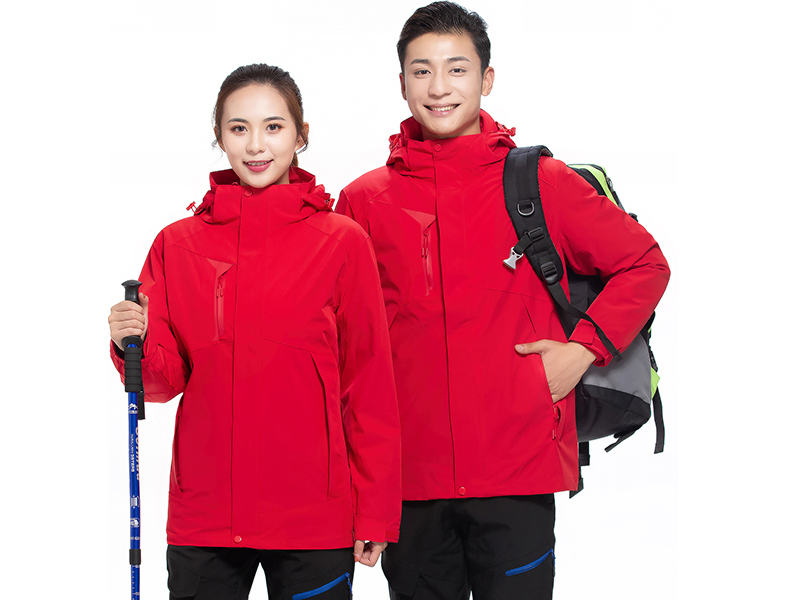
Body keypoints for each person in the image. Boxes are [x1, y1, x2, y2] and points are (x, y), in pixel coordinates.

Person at [335, 3, 671, 599]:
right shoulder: (364, 201)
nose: (439, 88)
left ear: (486, 79)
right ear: (402, 83)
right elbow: (345, 342)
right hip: (409, 478)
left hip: (518, 467)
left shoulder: (541, 183)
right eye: (421, 71)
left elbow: (644, 264)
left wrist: (582, 350)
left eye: (457, 69)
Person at [108, 63, 401, 600]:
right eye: (239, 128)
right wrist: (133, 341)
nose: (256, 145)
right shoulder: (177, 244)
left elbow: (369, 384)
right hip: (206, 514)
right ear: (218, 136)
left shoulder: (342, 242)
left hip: (314, 514)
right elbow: (160, 383)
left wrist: (375, 510)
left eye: (274, 126)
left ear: (301, 135)